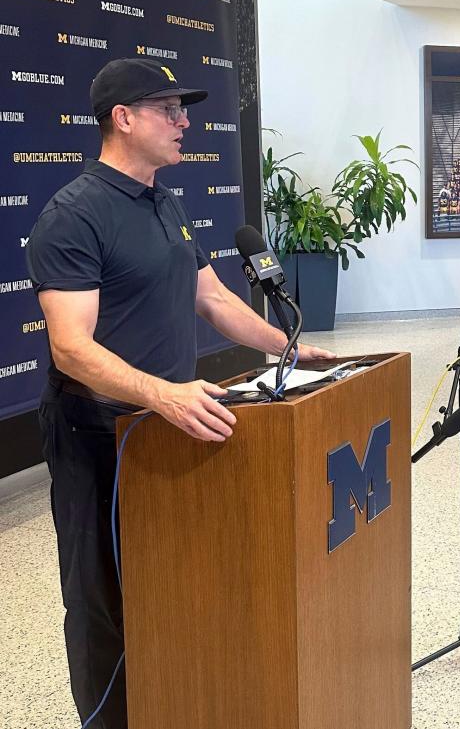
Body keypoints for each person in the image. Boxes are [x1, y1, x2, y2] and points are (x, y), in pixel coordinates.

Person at [25, 58, 335, 729]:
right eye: (169, 109)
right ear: (124, 119)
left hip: (163, 424)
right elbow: (71, 347)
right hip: (95, 433)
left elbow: (213, 297)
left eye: (184, 109)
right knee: (103, 600)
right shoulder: (73, 215)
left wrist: (288, 346)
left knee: (172, 580)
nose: (186, 122)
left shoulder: (165, 202)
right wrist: (162, 394)